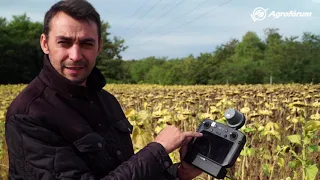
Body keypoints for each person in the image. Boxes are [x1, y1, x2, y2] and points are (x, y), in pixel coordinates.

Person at [4, 0, 203, 179]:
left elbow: (123, 173)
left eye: (86, 43)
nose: (75, 55)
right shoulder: (29, 115)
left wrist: (178, 174)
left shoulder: (106, 101)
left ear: (99, 47)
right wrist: (157, 150)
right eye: (64, 42)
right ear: (45, 44)